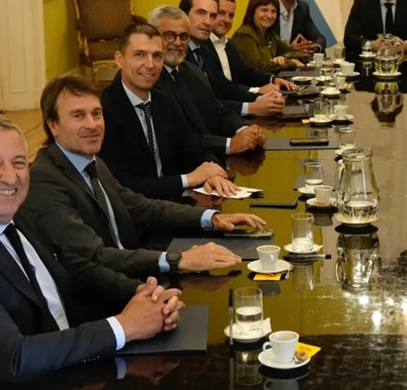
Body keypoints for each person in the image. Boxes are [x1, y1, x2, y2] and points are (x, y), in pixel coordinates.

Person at [0, 113, 184, 386]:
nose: (10, 178)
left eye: (18, 162)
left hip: (62, 364)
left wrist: (143, 295)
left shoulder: (13, 210)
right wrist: (125, 326)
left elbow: (74, 269)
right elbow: (15, 358)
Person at [23, 75, 266, 279]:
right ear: (53, 125)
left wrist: (211, 218)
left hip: (133, 270)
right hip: (102, 294)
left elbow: (140, 206)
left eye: (96, 113)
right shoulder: (44, 180)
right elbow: (95, 256)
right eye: (78, 116)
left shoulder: (89, 161)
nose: (93, 124)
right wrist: (177, 259)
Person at [99, 22, 240, 200]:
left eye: (157, 56)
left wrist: (212, 173)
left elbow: (192, 146)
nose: (150, 64)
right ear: (119, 59)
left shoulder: (163, 101)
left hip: (174, 203)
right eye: (140, 55)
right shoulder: (103, 110)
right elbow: (123, 186)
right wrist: (188, 179)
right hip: (135, 210)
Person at [148, 5, 264, 157]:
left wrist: (244, 129)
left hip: (210, 157)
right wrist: (229, 144)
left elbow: (217, 112)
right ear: (152, 37)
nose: (177, 43)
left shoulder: (191, 70)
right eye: (169, 35)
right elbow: (179, 139)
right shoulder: (149, 78)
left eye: (184, 36)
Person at [179, 0, 287, 117]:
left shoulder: (210, 48)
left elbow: (227, 85)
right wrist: (253, 104)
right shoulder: (181, 54)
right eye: (201, 13)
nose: (208, 21)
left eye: (212, 15)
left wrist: (263, 97)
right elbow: (203, 105)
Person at [231, 0, 309, 72]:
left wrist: (283, 58)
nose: (269, 16)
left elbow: (300, 53)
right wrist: (290, 62)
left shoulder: (270, 35)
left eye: (273, 11)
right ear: (253, 11)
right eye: (264, 10)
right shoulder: (243, 35)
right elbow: (257, 67)